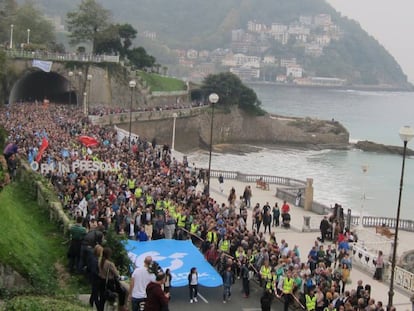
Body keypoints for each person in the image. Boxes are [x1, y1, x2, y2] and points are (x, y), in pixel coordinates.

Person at [87, 245, 103, 311]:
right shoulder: (95, 260)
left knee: (94, 291)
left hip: (93, 278)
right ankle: (98, 307)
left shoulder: (93, 258)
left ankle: (91, 302)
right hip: (95, 278)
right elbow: (94, 270)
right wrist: (100, 275)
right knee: (96, 293)